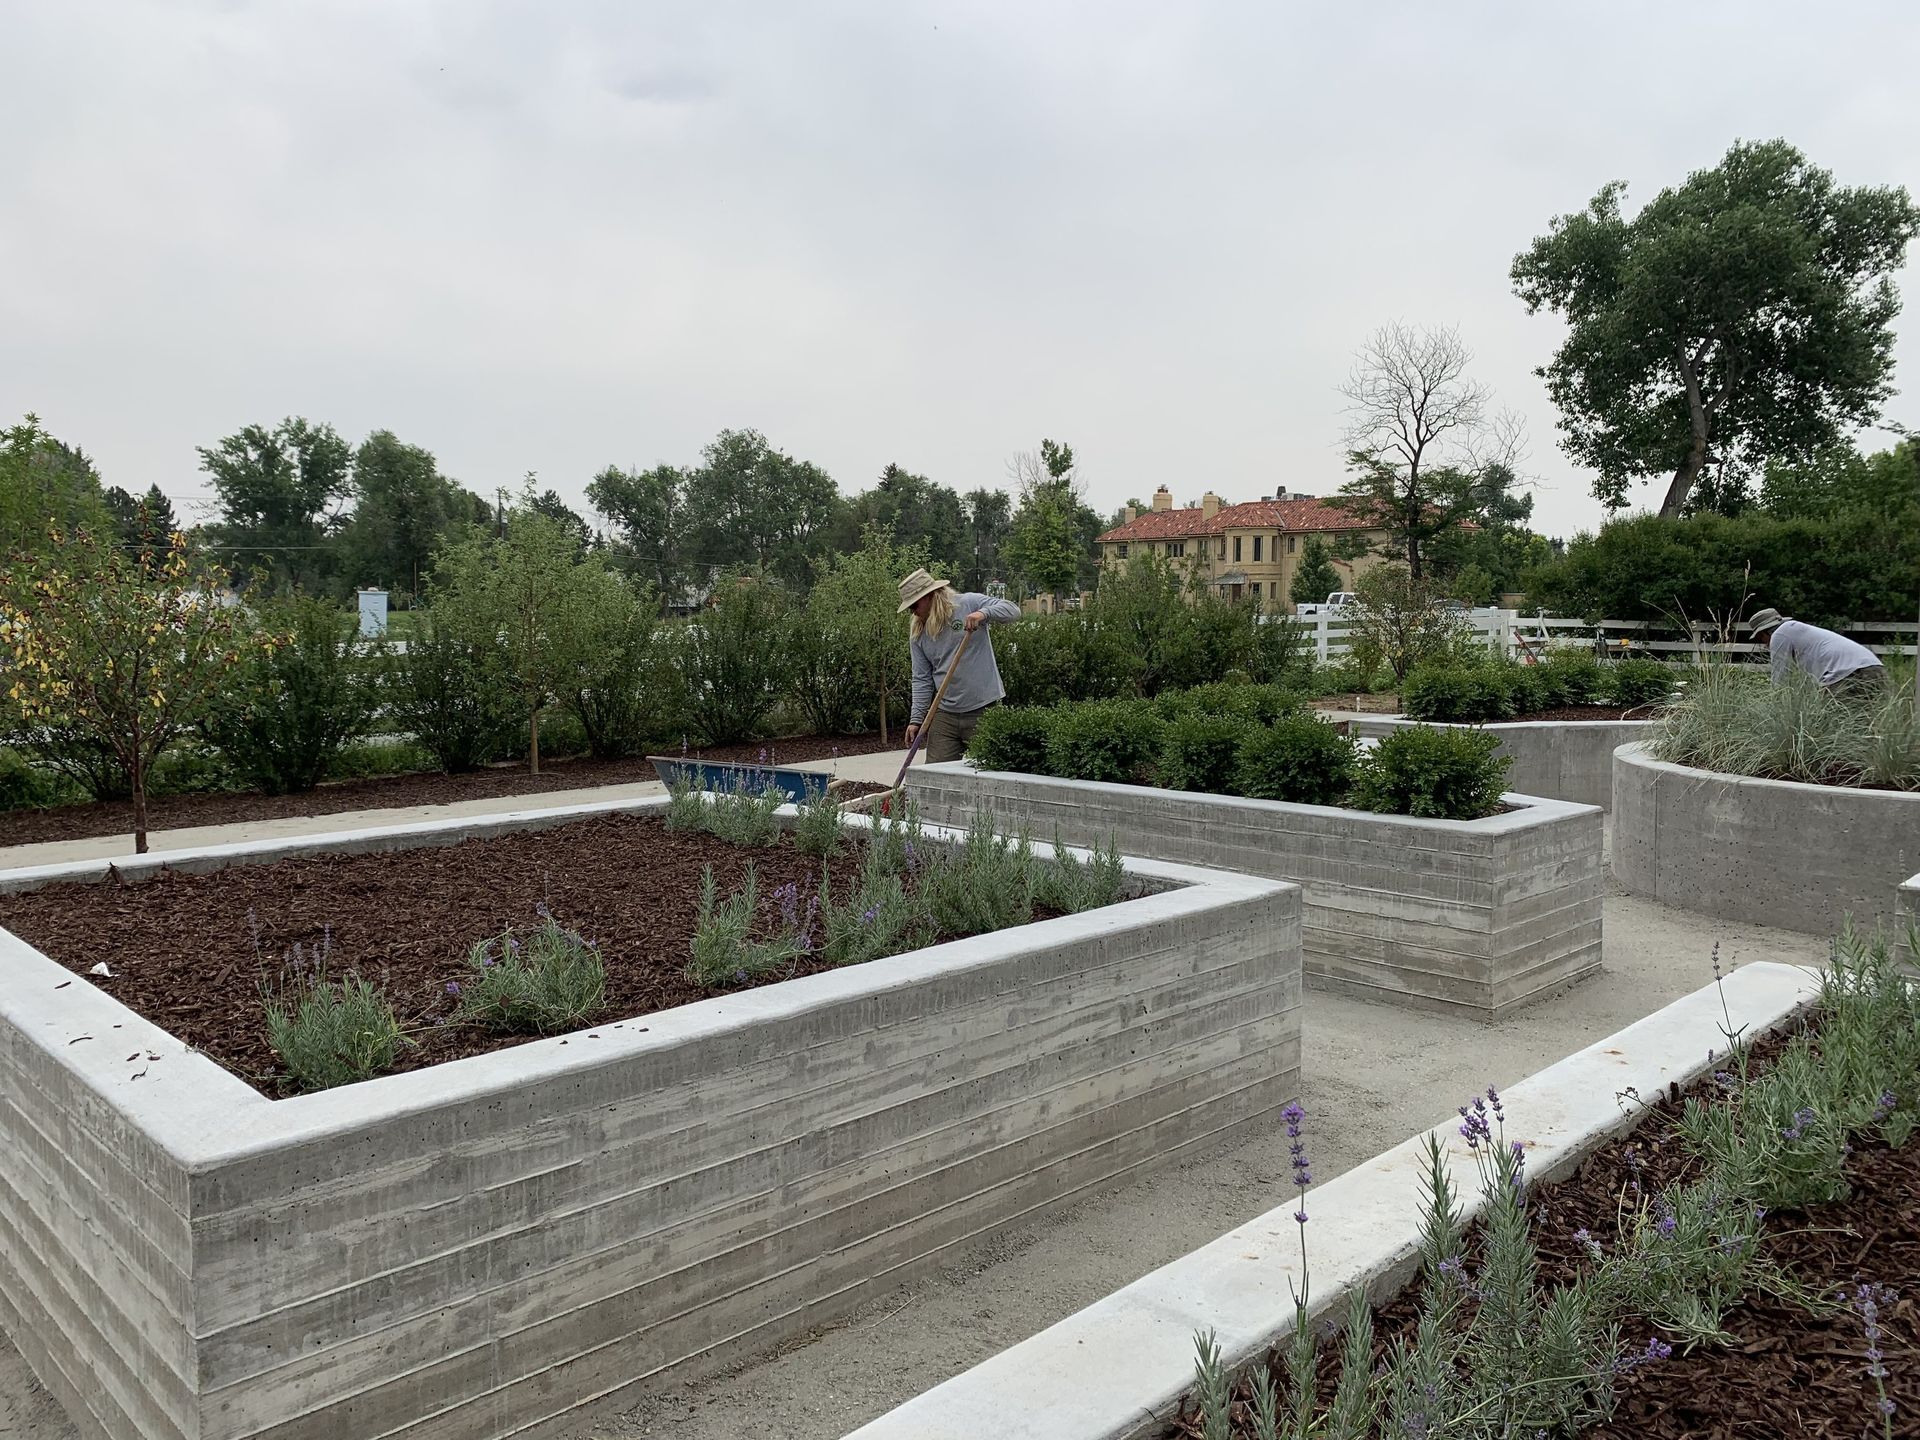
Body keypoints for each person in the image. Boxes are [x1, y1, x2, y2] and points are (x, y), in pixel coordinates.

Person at [898, 568, 1021, 763]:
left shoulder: (968, 603)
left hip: (983, 708)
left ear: (930, 596)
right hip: (945, 713)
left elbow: (1013, 610)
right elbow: (921, 678)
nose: (912, 611)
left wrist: (983, 613)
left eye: (914, 605)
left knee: (990, 772)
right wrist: (916, 719)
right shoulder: (918, 633)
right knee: (937, 775)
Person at [1748, 607, 1888, 699]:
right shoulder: (1797, 630)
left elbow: (1780, 680)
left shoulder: (1780, 634)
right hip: (1874, 667)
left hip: (1843, 674)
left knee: (1832, 726)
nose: (1764, 644)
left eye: (1760, 638)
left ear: (1766, 631)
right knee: (1871, 723)